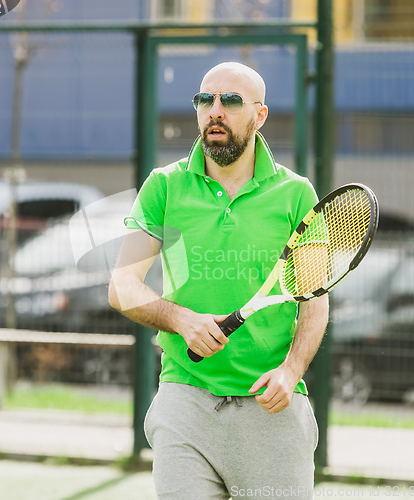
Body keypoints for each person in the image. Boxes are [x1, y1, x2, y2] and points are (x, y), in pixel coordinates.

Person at [108, 62, 329, 500]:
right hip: (184, 399)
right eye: (204, 100)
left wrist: (291, 370)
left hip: (271, 405)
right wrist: (181, 320)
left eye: (230, 101)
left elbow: (314, 302)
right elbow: (122, 286)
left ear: (259, 115)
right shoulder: (164, 187)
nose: (215, 111)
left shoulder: (296, 194)